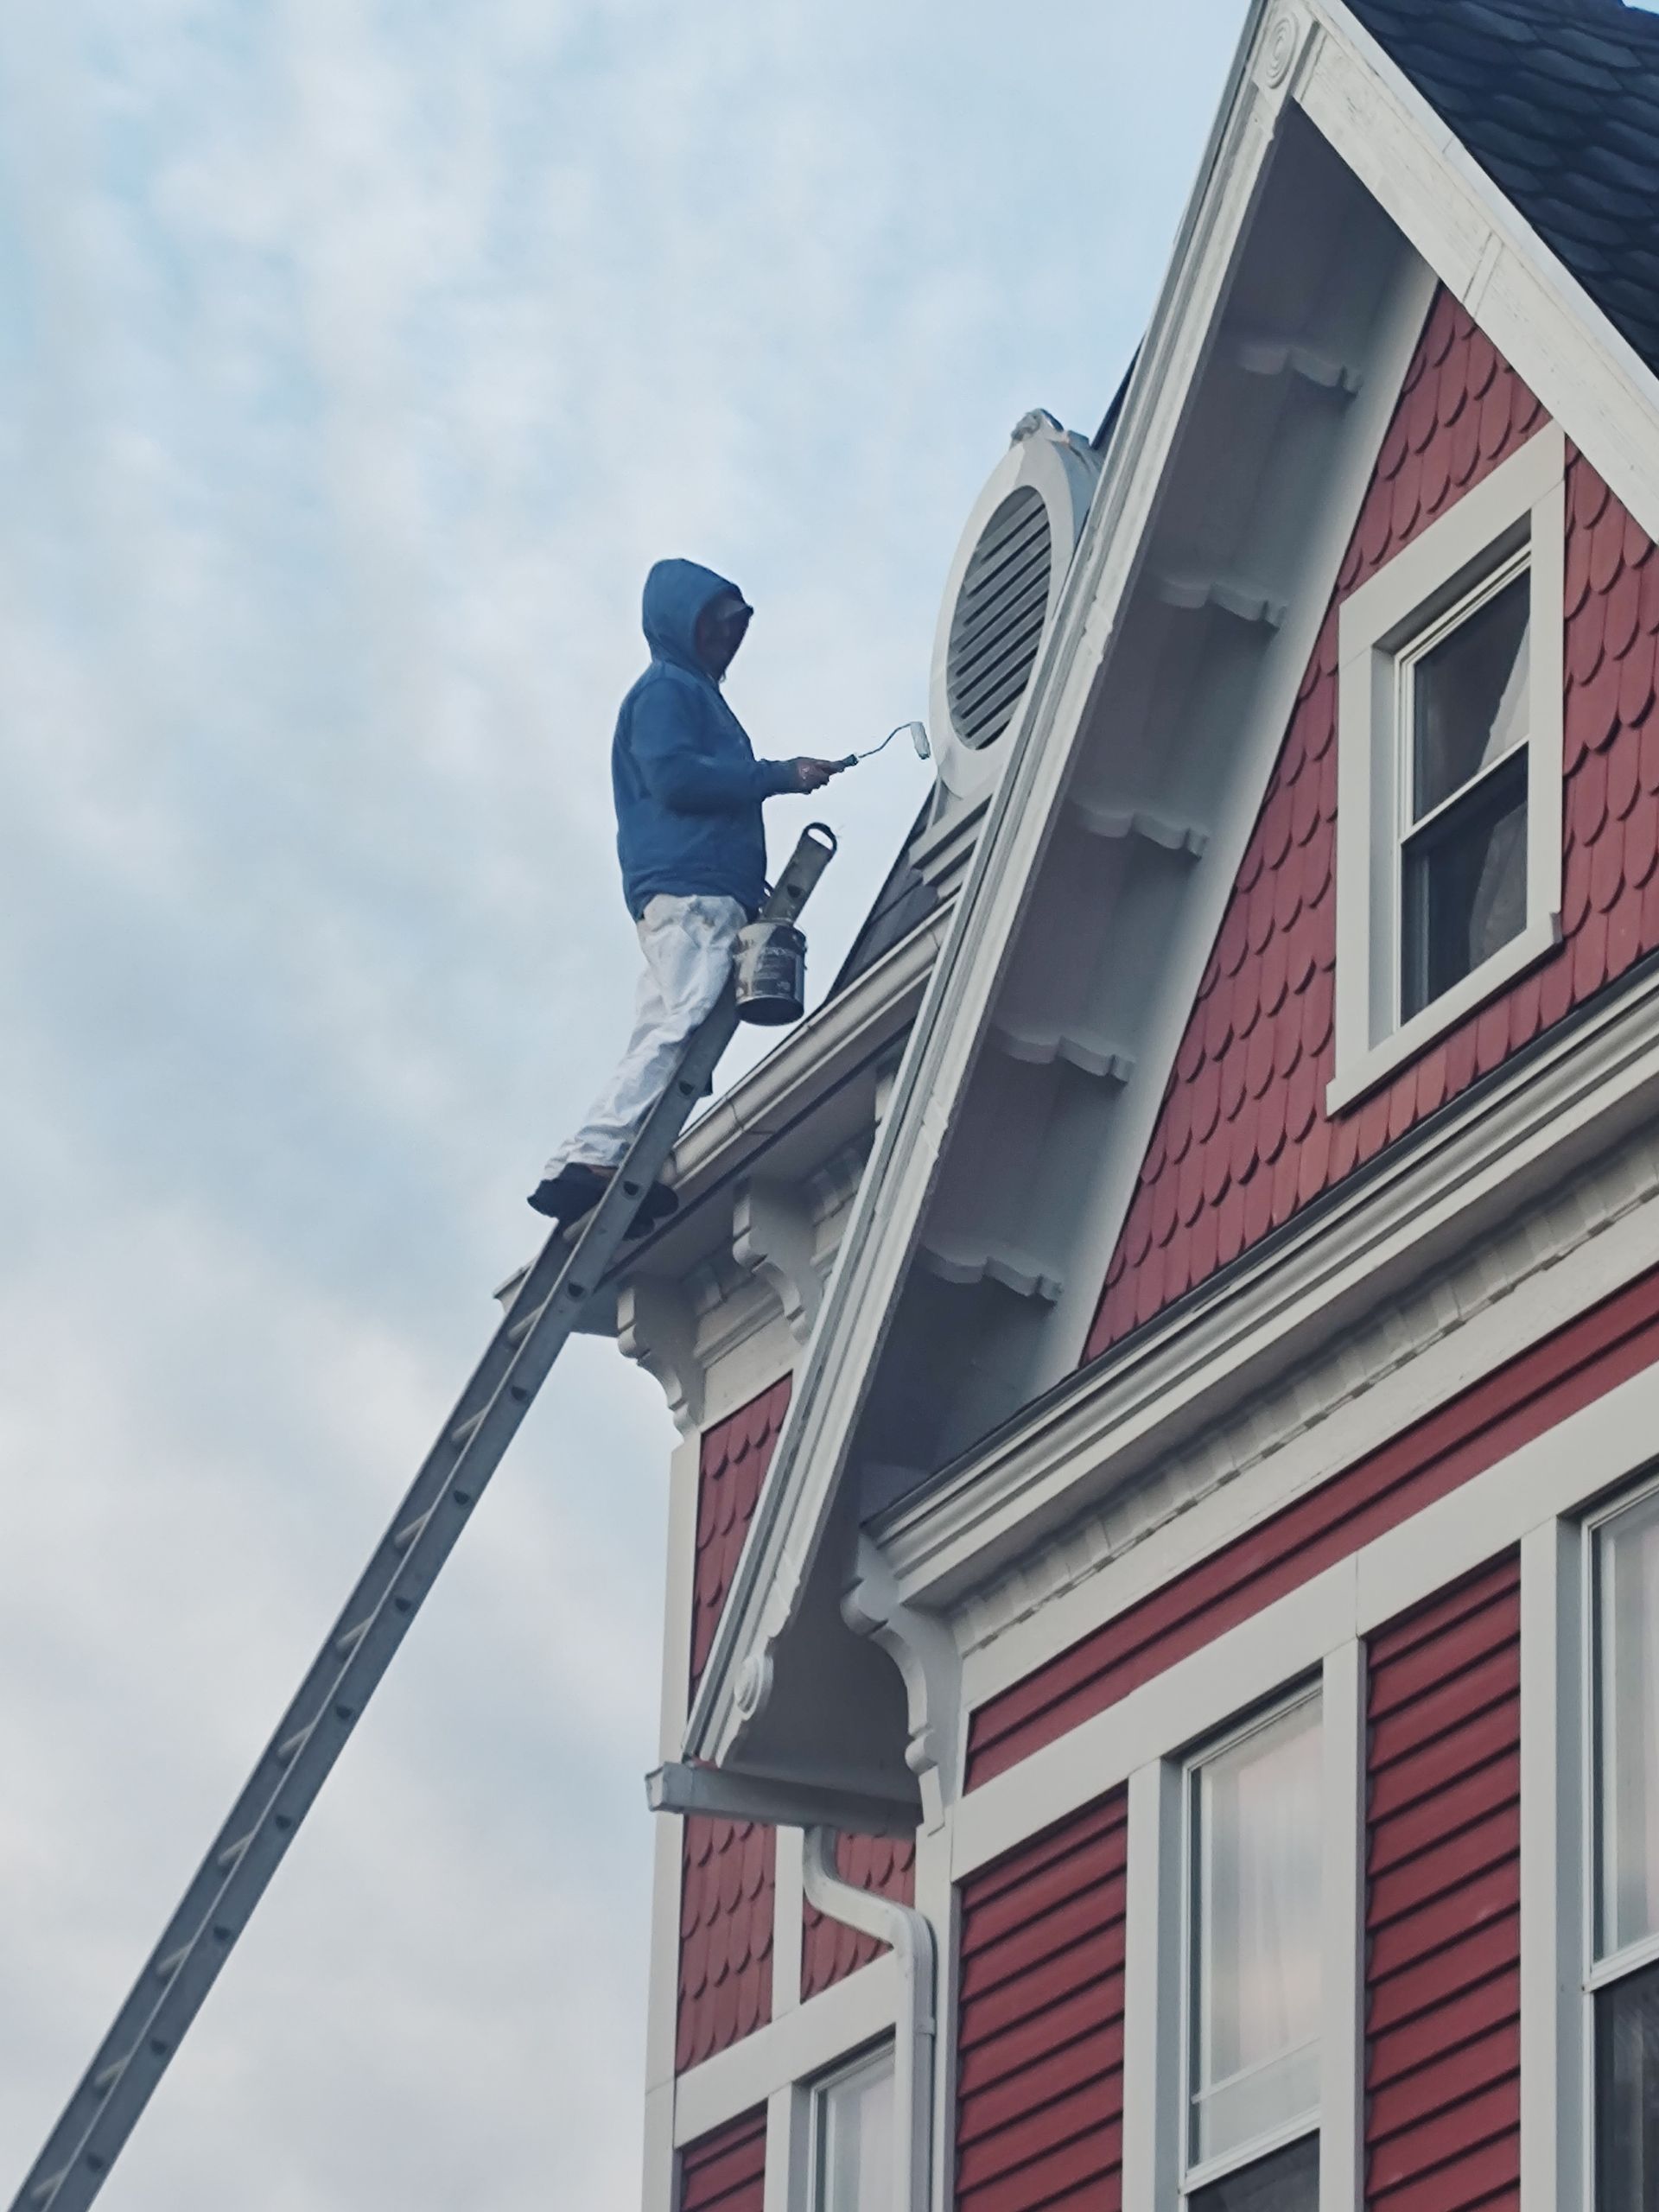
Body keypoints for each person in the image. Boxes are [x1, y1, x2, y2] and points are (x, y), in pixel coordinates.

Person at [530, 558, 842, 1228]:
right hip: (691, 887)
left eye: (732, 632)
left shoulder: (688, 692)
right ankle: (590, 1158)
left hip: (691, 887)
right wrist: (779, 776)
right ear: (682, 625)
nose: (725, 643)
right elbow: (674, 778)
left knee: (663, 1025)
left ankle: (618, 1164)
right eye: (714, 629)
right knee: (692, 1018)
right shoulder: (667, 690)